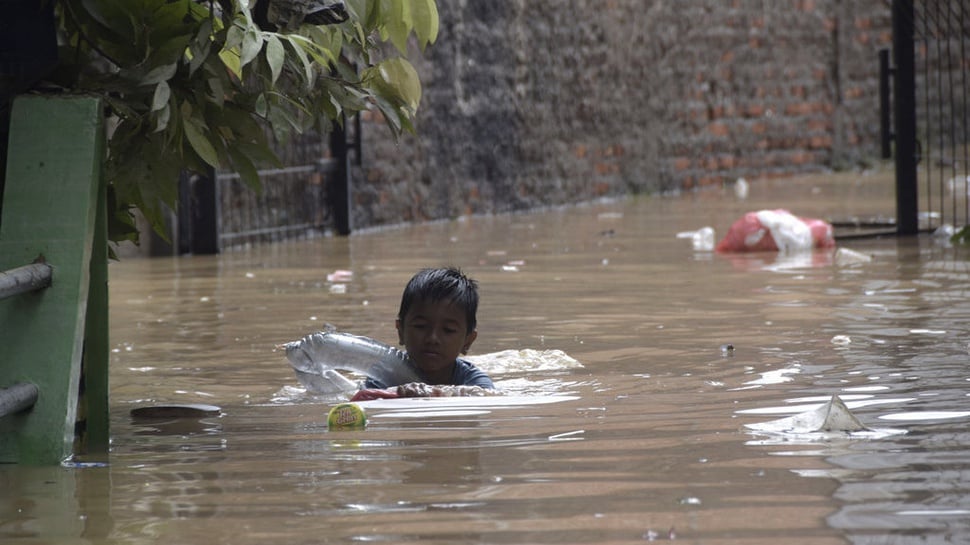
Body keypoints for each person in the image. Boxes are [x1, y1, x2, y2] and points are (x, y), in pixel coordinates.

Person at [363, 267, 494, 390]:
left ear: (467, 341)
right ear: (401, 331)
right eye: (421, 326)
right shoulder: (384, 376)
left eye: (448, 330)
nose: (432, 338)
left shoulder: (474, 384)